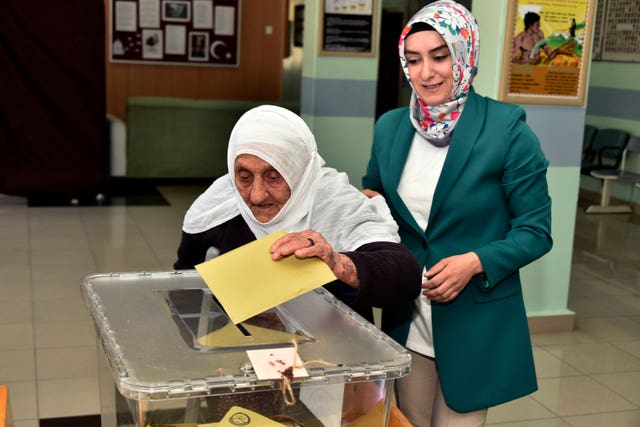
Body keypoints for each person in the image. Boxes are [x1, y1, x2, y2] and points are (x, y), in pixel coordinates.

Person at [362, 1, 553, 426]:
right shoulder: (391, 127)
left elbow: (536, 231)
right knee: (406, 420)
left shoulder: (507, 130)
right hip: (407, 315)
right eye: (413, 60)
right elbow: (376, 197)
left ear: (464, 54)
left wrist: (475, 262)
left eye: (439, 56)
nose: (425, 73)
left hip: (472, 318)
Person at [174, 104, 422, 323]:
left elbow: (405, 276)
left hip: (331, 359)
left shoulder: (334, 201)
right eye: (245, 176)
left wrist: (336, 262)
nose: (256, 195)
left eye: (274, 177)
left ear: (298, 170)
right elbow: (183, 291)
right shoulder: (218, 209)